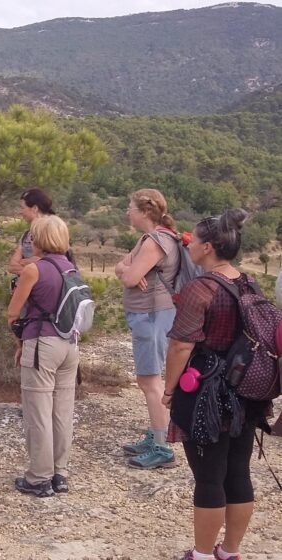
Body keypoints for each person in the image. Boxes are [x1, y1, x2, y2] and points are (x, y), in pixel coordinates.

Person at [162, 210, 271, 560]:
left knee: (209, 478)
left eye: (193, 240)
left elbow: (181, 345)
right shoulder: (249, 283)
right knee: (238, 473)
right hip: (247, 389)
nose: (189, 245)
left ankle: (202, 554)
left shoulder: (201, 288)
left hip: (205, 392)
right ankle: (230, 551)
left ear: (208, 247)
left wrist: (169, 389)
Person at [6, 215, 80, 498]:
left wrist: (21, 342)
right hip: (69, 344)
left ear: (39, 240)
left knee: (38, 412)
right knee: (62, 411)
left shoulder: (33, 270)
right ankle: (60, 473)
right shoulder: (71, 267)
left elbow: (14, 314)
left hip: (41, 343)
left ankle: (39, 477)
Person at [115, 189, 181, 469]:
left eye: (130, 207)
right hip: (152, 315)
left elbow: (129, 276)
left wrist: (128, 271)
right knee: (150, 380)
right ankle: (157, 434)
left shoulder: (154, 241)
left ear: (144, 211)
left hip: (151, 316)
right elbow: (121, 268)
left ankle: (162, 447)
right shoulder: (155, 237)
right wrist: (126, 269)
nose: (127, 212)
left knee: (150, 381)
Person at [7, 188, 56, 277]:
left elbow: (54, 268)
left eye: (22, 208)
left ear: (35, 208)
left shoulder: (55, 234)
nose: (21, 212)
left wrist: (24, 263)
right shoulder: (26, 235)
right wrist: (32, 264)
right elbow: (12, 267)